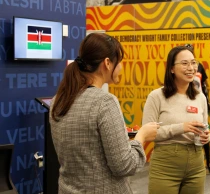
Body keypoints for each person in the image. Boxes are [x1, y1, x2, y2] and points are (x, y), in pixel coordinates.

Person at [50, 33, 159, 193]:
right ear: (107, 63)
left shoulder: (58, 100)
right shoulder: (105, 102)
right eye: (119, 62)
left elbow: (88, 152)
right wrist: (141, 136)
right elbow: (125, 165)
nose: (121, 67)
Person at [142, 45, 210, 194]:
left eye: (193, 63)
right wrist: (181, 127)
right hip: (166, 165)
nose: (191, 68)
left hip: (196, 163)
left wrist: (205, 136)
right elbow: (147, 133)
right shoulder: (157, 96)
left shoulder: (200, 97)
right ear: (171, 68)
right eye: (185, 63)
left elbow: (205, 126)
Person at [185, 43, 210, 174]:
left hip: (199, 101)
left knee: (203, 132)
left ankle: (208, 163)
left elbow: (205, 85)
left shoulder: (200, 66)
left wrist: (207, 102)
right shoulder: (180, 67)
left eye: (191, 51)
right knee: (187, 132)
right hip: (186, 103)